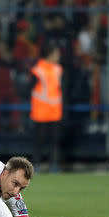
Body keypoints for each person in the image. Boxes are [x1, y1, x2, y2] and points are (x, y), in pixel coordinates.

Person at [29, 42, 63, 172]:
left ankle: (54, 164)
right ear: (50, 54)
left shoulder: (58, 69)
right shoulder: (37, 69)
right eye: (56, 53)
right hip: (40, 111)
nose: (59, 56)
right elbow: (30, 89)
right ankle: (36, 165)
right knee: (39, 140)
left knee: (55, 141)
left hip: (54, 111)